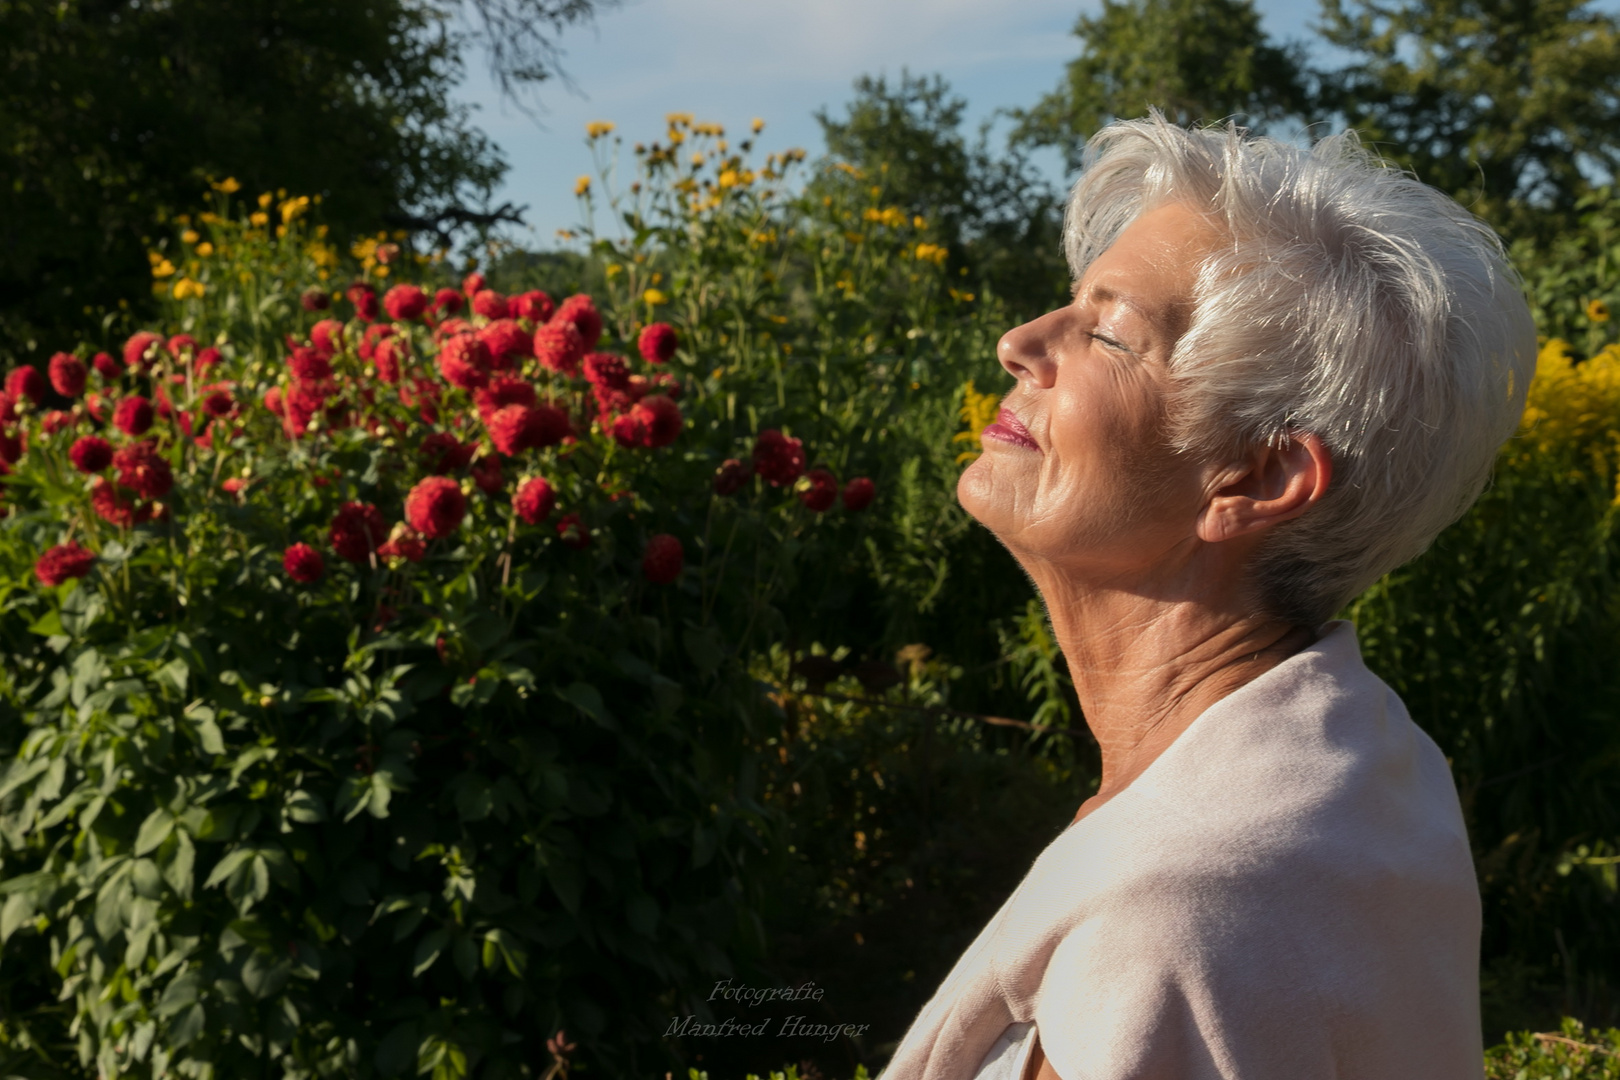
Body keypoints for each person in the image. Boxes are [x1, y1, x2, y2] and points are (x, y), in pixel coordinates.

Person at [881, 115, 1536, 1080]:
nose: (1017, 342)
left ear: (1257, 478)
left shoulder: (1174, 926)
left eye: (1108, 332)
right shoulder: (1374, 761)